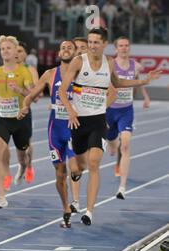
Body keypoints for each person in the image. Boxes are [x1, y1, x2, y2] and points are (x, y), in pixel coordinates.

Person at [59, 27, 161, 226]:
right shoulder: (79, 61)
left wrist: (144, 80)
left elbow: (118, 82)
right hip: (79, 122)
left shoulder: (109, 63)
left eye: (96, 42)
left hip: (98, 120)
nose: (92, 45)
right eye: (90, 42)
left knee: (95, 163)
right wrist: (71, 111)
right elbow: (63, 90)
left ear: (104, 44)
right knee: (80, 166)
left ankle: (89, 211)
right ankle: (76, 171)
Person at [20, 40, 80, 228]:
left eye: (70, 47)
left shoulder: (81, 74)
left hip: (75, 127)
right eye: (63, 48)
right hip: (55, 128)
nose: (66, 50)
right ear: (59, 53)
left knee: (75, 168)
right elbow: (32, 94)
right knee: (59, 173)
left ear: (76, 52)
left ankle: (77, 175)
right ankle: (65, 208)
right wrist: (24, 106)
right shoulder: (50, 74)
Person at [0, 35, 33, 209]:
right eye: (3, 49)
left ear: (16, 52)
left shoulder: (24, 71)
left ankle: (24, 166)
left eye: (9, 48)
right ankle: (1, 197)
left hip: (21, 119)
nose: (5, 51)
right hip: (3, 120)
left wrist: (19, 90)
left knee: (22, 154)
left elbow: (31, 94)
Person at [107, 36, 151, 199]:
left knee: (125, 145)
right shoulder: (110, 65)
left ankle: (122, 187)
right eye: (121, 46)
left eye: (126, 46)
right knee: (112, 146)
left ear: (129, 48)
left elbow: (138, 83)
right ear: (115, 48)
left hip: (126, 111)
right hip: (110, 110)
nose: (124, 48)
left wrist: (145, 97)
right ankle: (113, 144)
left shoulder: (136, 66)